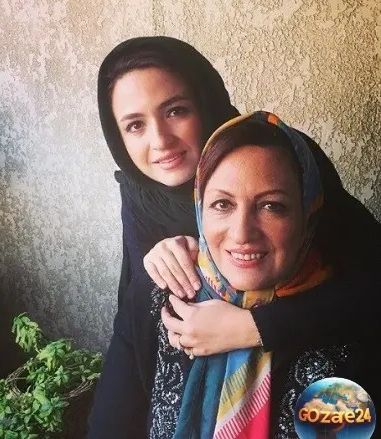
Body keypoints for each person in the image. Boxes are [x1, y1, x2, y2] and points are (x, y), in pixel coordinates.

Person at [87, 112, 379, 438]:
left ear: (307, 213)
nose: (242, 233)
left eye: (271, 206)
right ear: (199, 210)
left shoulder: (350, 320)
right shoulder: (157, 297)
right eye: (222, 204)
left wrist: (259, 327)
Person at [97, 35, 381, 354]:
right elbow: (138, 330)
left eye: (176, 111)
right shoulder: (141, 194)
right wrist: (158, 262)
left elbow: (371, 283)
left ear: (205, 104)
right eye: (135, 126)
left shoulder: (281, 157)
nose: (160, 141)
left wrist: (256, 327)